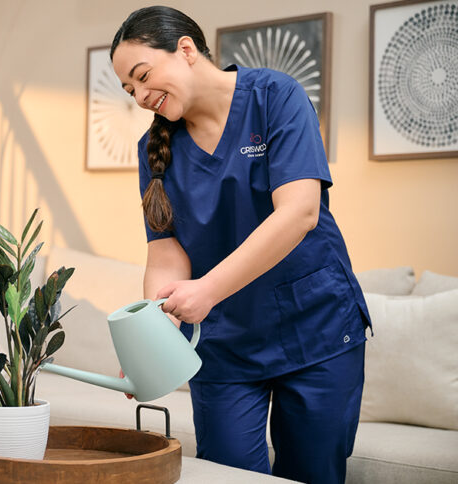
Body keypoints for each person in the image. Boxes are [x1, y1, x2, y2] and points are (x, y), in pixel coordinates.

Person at [110, 6, 370, 484]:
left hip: (315, 329)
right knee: (226, 476)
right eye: (130, 90)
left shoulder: (276, 97)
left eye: (142, 76)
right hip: (225, 344)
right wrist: (149, 343)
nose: (140, 97)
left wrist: (206, 291)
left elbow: (300, 212)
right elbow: (166, 253)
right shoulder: (154, 150)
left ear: (186, 50)